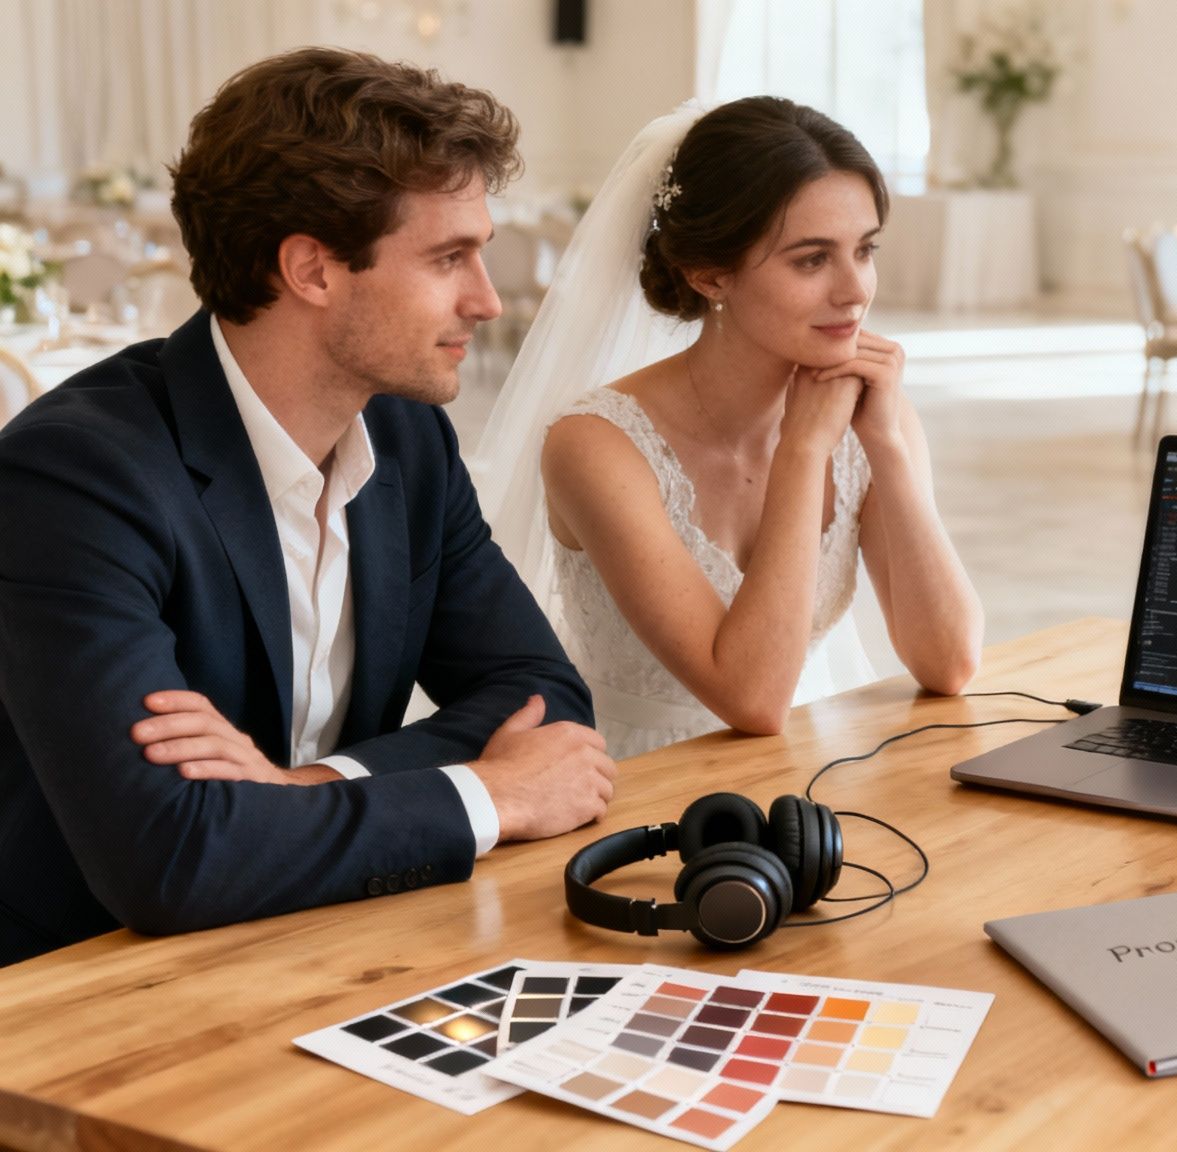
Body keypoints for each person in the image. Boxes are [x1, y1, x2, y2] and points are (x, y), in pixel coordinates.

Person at [0, 48, 618, 967]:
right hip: (83, 991)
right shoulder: (75, 478)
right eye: (449, 257)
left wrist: (304, 787)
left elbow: (544, 702)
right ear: (312, 270)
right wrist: (491, 796)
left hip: (318, 939)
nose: (486, 300)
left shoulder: (408, 440)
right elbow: (168, 856)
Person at [476, 98, 983, 759]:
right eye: (812, 259)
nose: (856, 289)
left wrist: (886, 444)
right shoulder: (595, 444)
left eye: (865, 249)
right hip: (634, 788)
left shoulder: (873, 418)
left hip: (802, 775)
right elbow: (752, 698)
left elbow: (949, 663)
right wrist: (803, 449)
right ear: (710, 273)